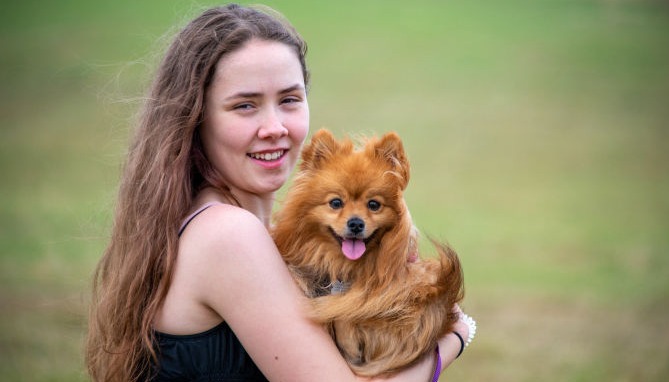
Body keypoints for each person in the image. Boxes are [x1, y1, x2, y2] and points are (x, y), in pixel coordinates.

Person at [85, 4, 475, 381]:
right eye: (245, 106)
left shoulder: (238, 227)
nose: (274, 127)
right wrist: (454, 333)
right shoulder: (229, 236)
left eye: (289, 99)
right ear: (195, 116)